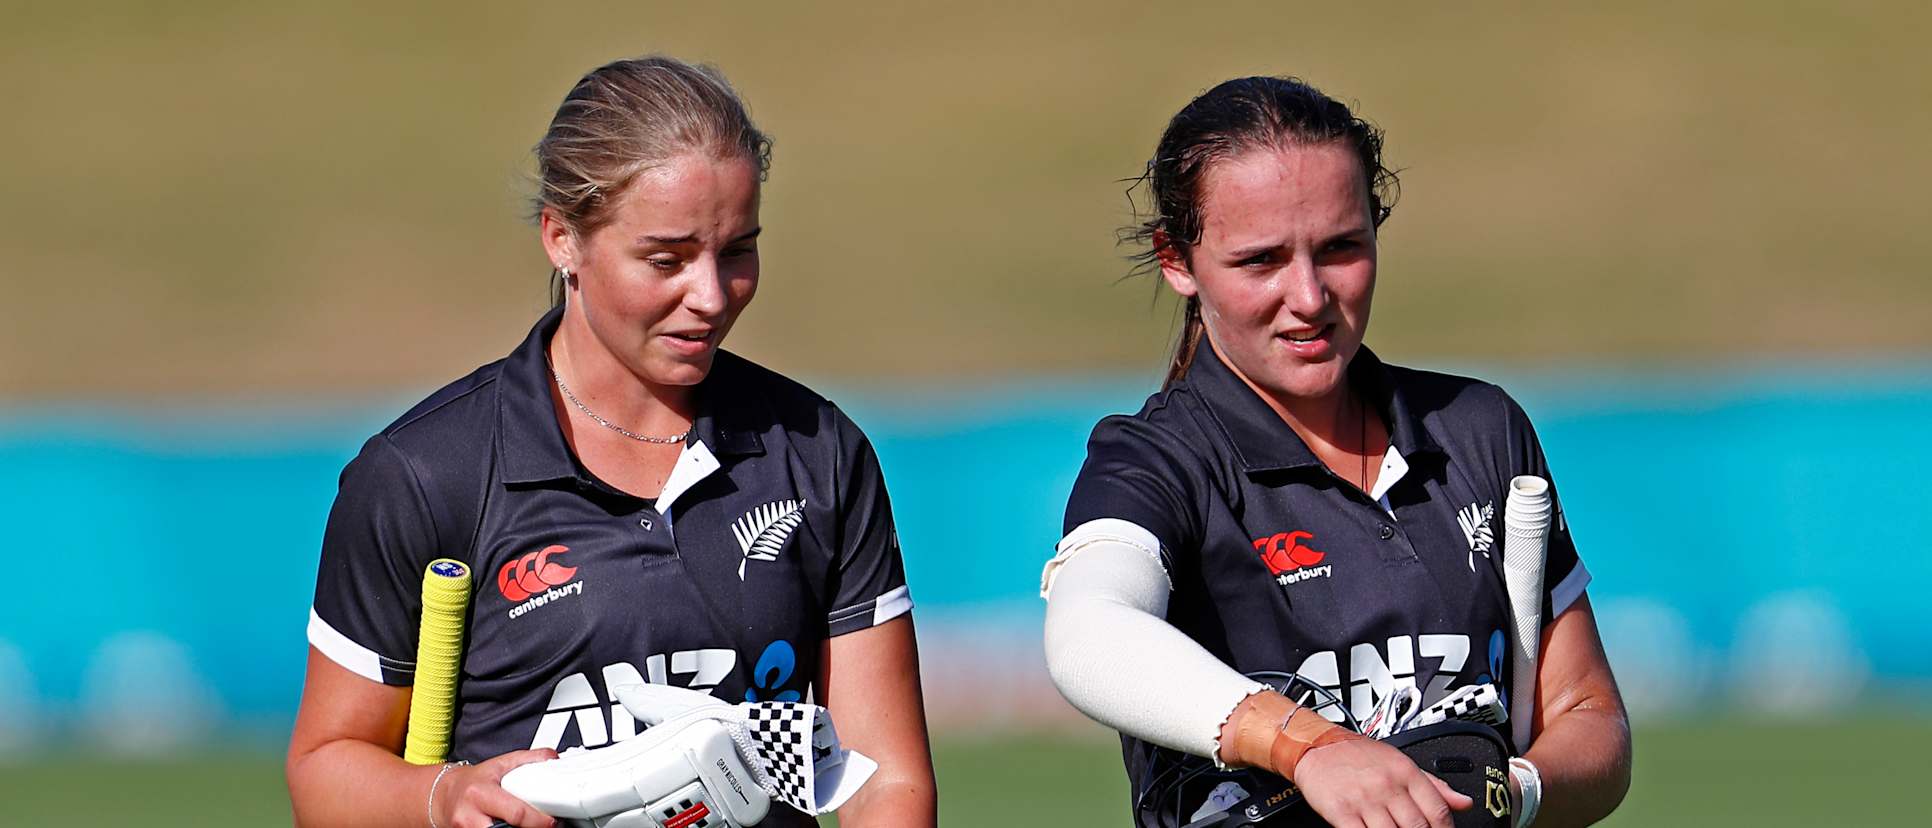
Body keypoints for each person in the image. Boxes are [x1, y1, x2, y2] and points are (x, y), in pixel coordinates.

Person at [286, 56, 936, 828]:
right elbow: (324, 771)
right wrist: (442, 797)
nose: (710, 295)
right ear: (562, 239)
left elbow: (882, 780)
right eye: (665, 259)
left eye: (737, 251)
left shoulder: (818, 451)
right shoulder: (426, 474)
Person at [1041, 77, 1631, 828]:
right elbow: (1089, 636)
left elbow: (1588, 716)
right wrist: (1309, 747)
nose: (1311, 295)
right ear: (1177, 259)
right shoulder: (1154, 462)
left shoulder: (1482, 428)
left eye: (1341, 247)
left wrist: (1503, 798)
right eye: (1261, 261)